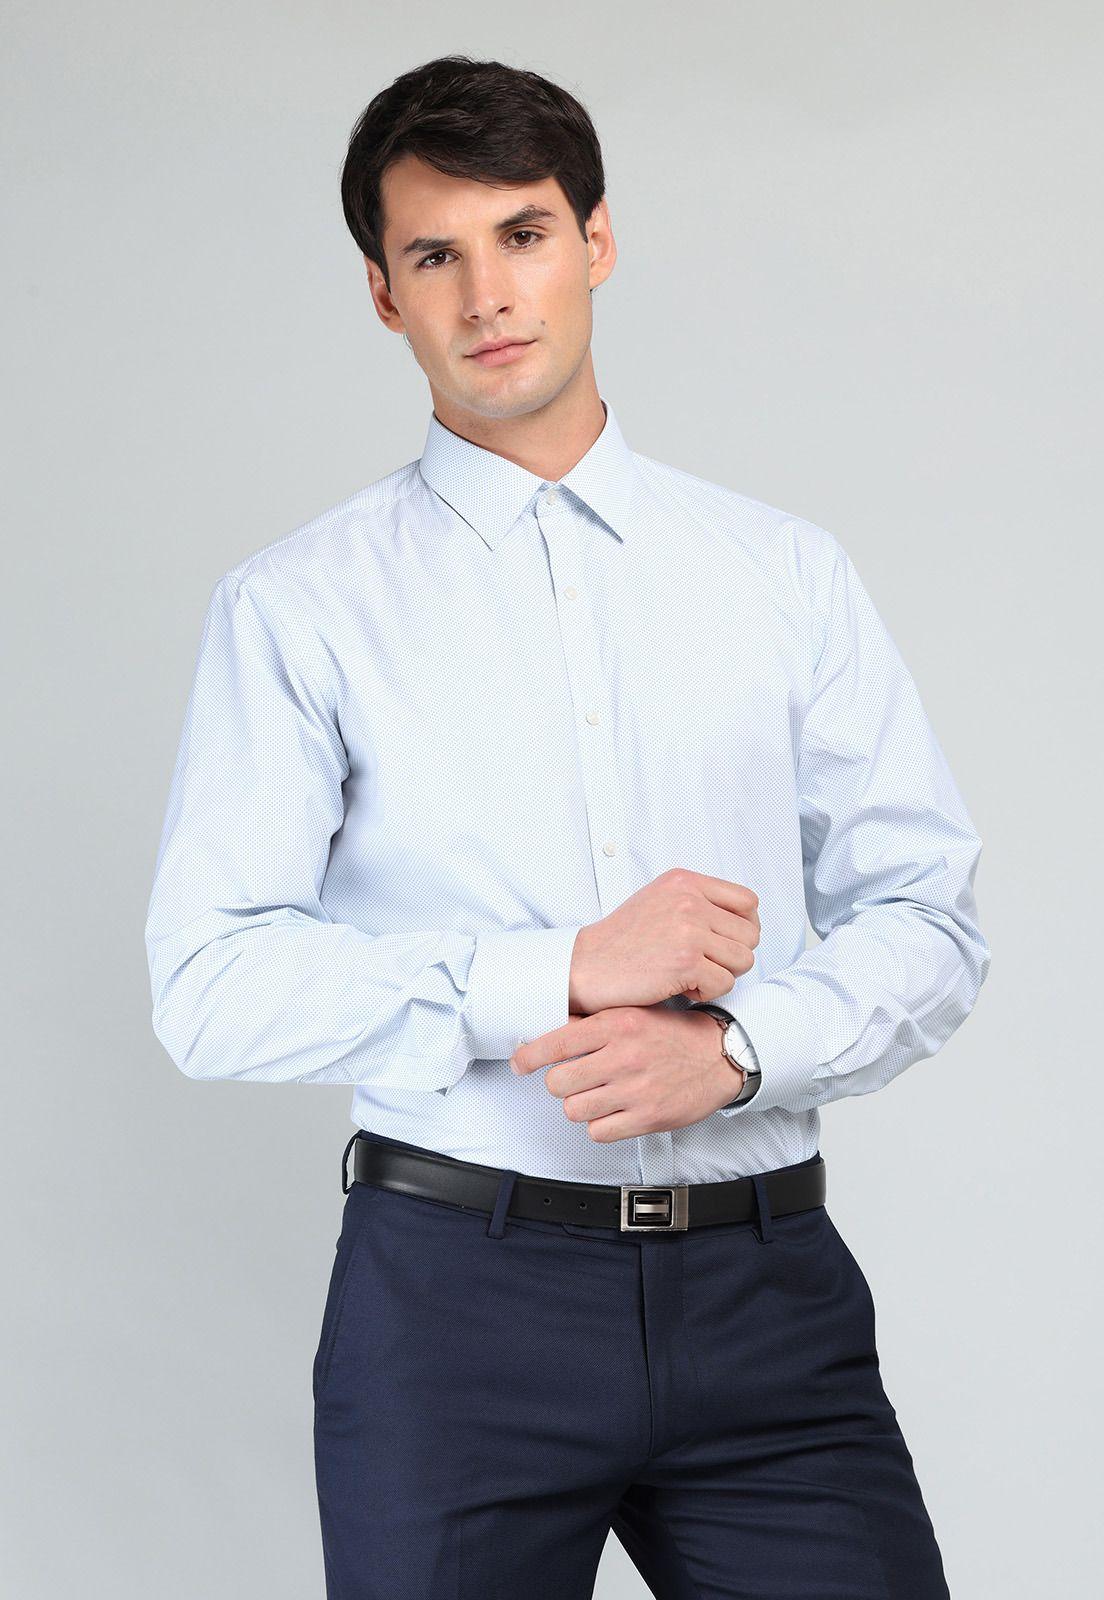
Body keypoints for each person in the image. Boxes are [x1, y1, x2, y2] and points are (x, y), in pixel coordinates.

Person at [144, 52, 990, 1600]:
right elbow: (208, 984)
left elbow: (931, 918)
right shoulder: (299, 609)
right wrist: (559, 972)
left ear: (595, 241)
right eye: (434, 255)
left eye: (523, 235)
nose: (487, 295)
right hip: (455, 1311)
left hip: (769, 1302)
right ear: (384, 296)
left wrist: (741, 1051)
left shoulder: (782, 575)